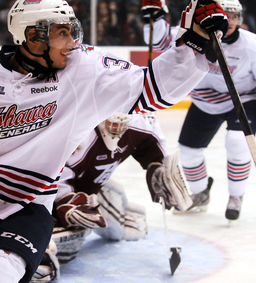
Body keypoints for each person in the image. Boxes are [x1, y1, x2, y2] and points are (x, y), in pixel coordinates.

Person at [0, 0, 228, 283]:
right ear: (32, 37)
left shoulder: (85, 70)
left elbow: (155, 90)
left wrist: (194, 41)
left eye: (73, 32)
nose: (72, 42)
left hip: (28, 203)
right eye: (62, 34)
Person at [142, 0, 256, 221]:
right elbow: (162, 41)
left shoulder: (252, 45)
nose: (230, 20)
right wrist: (156, 19)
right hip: (205, 101)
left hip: (243, 100)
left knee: (237, 142)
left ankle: (236, 196)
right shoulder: (194, 35)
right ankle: (200, 194)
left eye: (234, 16)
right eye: (224, 15)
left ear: (241, 19)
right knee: (188, 152)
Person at [31, 112, 192, 281]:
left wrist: (160, 171)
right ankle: (36, 251)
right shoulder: (78, 132)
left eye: (122, 123)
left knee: (127, 227)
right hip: (47, 196)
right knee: (71, 239)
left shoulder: (140, 122)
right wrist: (67, 200)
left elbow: (154, 148)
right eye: (112, 123)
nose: (117, 129)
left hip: (94, 192)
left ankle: (119, 214)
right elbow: (53, 173)